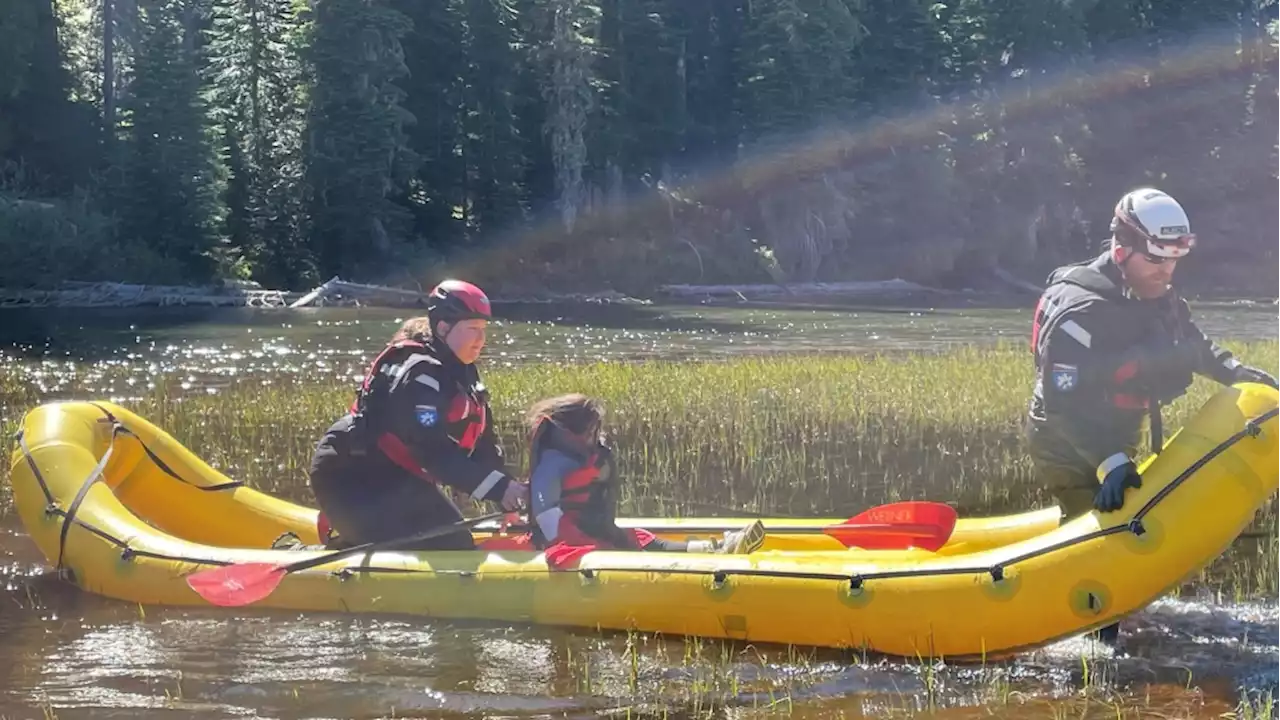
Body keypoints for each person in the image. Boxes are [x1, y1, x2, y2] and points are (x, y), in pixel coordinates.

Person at [1027, 187, 1278, 524]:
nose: (1166, 270)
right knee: (1102, 526)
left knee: (1127, 513)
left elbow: (1191, 344)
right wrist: (1109, 462)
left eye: (1173, 259)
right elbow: (1062, 406)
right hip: (1066, 440)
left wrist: (1236, 371)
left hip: (1119, 428)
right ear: (1121, 250)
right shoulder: (1080, 314)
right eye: (1155, 259)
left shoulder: (1156, 293)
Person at [305, 279, 529, 551]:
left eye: (483, 329)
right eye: (472, 329)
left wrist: (505, 499)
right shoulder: (419, 376)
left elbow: (483, 444)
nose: (481, 339)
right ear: (444, 327)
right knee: (447, 547)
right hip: (352, 476)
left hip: (397, 478)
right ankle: (316, 547)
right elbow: (434, 452)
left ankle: (354, 534)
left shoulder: (463, 371)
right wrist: (499, 488)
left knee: (455, 540)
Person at [523, 393, 765, 564]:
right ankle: (716, 551)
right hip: (567, 544)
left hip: (596, 532)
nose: (596, 438)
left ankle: (715, 549)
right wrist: (589, 547)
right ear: (570, 431)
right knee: (628, 544)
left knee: (643, 539)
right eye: (592, 431)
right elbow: (547, 517)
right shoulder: (553, 462)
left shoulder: (578, 456)